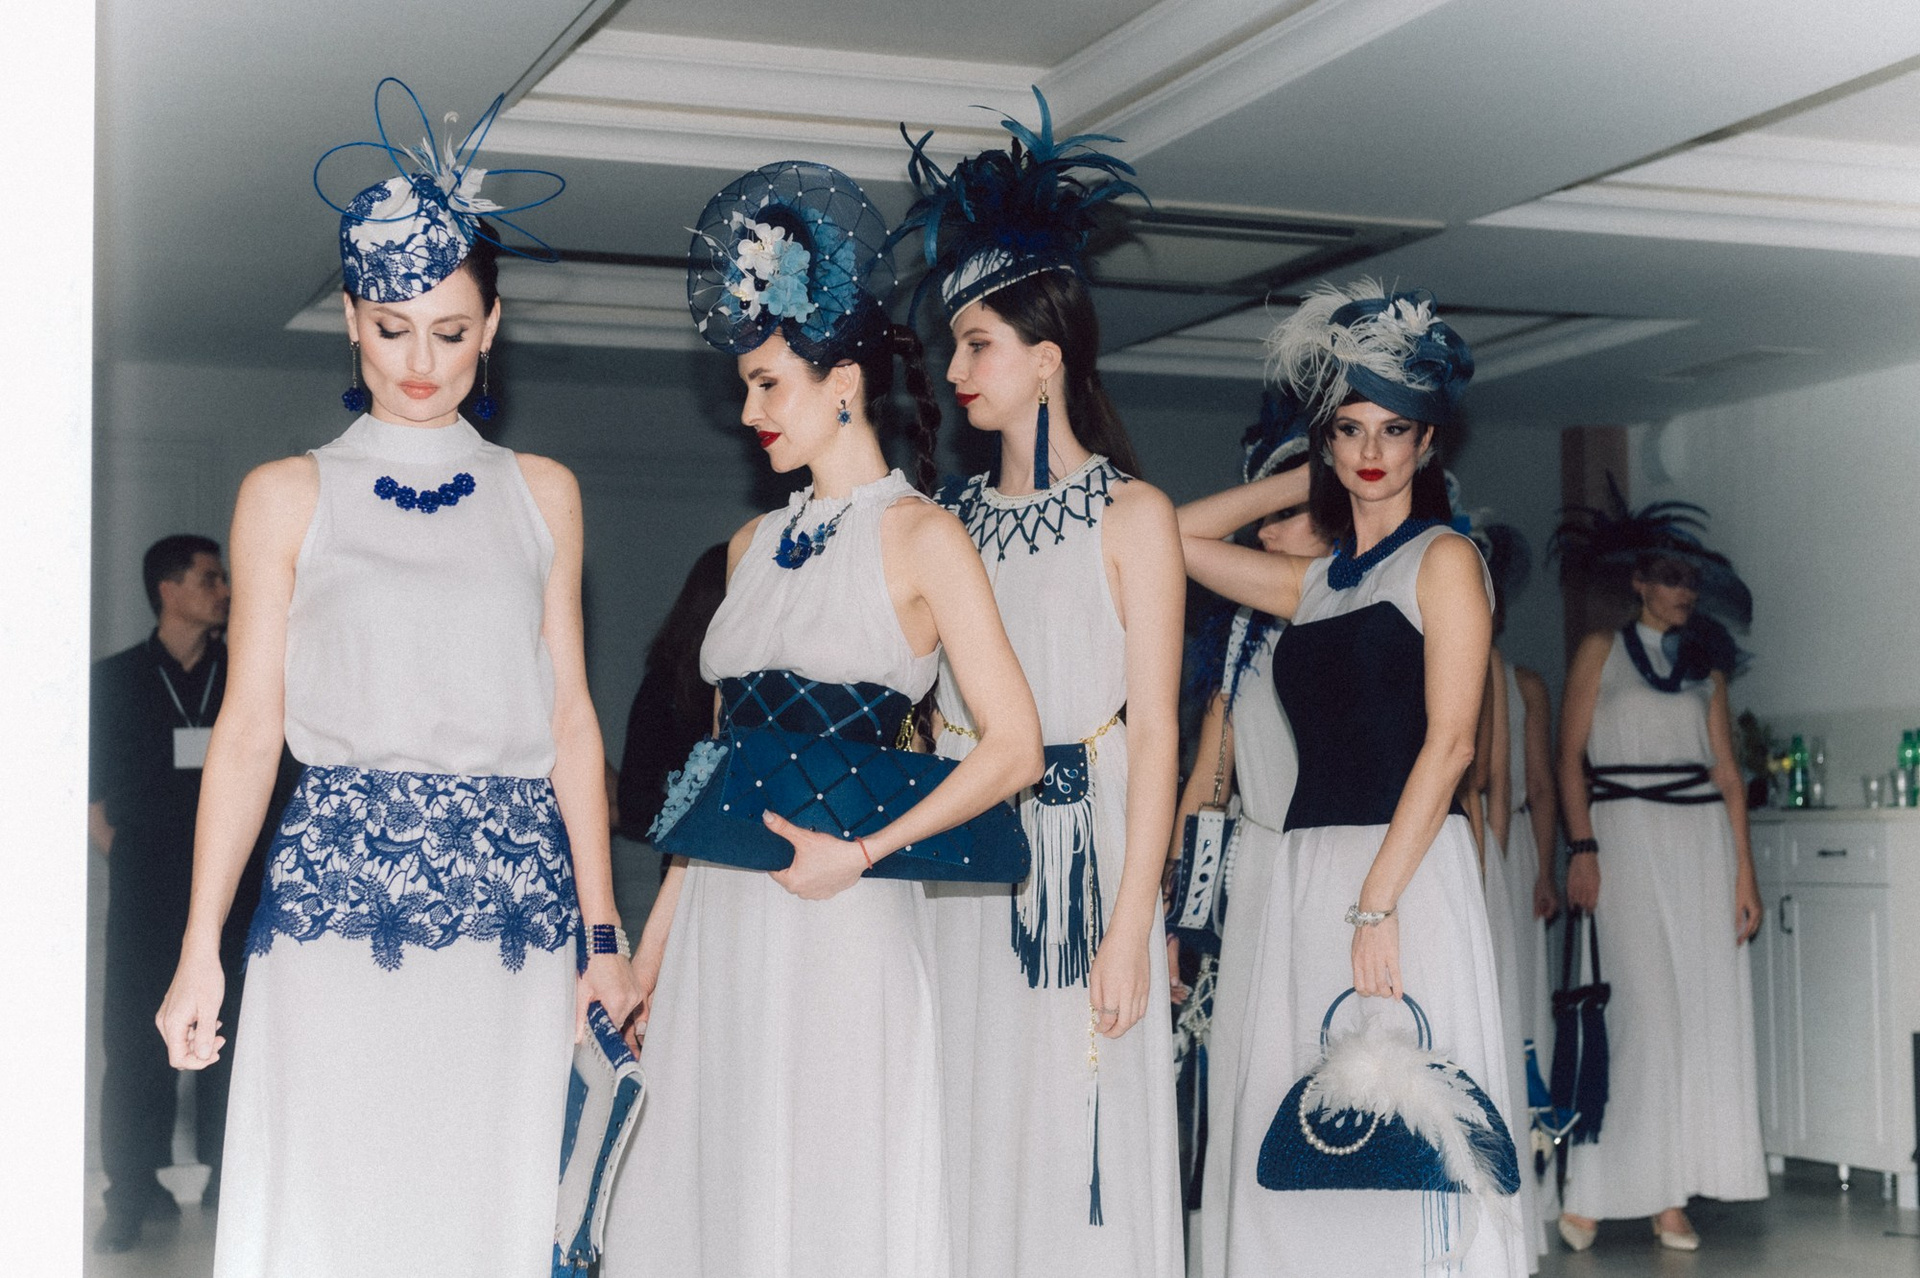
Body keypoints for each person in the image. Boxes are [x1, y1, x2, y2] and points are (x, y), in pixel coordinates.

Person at [154, 79, 639, 1276]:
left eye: (451, 331)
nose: (421, 361)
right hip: (336, 902)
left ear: (493, 326)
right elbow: (248, 732)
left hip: (515, 916)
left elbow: (573, 726)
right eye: (391, 328)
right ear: (351, 321)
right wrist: (200, 942)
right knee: (342, 1204)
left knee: (486, 1205)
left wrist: (604, 932)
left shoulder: (543, 493)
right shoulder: (286, 494)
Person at [603, 159, 1043, 1278]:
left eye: (766, 385)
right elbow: (715, 774)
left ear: (841, 379)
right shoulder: (750, 547)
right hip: (723, 919)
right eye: (747, 388)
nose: (749, 412)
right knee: (715, 1176)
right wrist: (653, 950)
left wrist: (864, 854)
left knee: (830, 1174)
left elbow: (1014, 747)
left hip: (841, 914)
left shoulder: (923, 537)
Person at [891, 90, 1187, 1277]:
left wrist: (1133, 926)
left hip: (1089, 852)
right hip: (966, 845)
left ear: (1047, 357)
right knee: (966, 1112)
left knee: (1077, 1125)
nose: (956, 367)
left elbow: (1158, 735)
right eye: (954, 344)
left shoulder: (1135, 514)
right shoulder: (946, 520)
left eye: (979, 344)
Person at [1176, 280, 1524, 1276]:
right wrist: (1301, 479)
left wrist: (1378, 902)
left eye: (1394, 429)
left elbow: (1451, 744)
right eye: (1350, 429)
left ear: (1428, 443)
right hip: (1307, 870)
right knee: (1312, 1115)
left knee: (1411, 1110)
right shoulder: (1316, 583)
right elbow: (1161, 539)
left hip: (1402, 870)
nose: (1373, 451)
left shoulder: (1444, 560)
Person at [1551, 483, 1767, 1253]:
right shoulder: (1600, 650)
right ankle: (1593, 1193)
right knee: (1643, 1016)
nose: (1685, 592)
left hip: (1701, 844)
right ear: (1640, 581)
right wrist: (1582, 847)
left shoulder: (1707, 665)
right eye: (1671, 578)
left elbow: (1728, 774)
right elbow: (1569, 759)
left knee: (1699, 1016)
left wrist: (1745, 874)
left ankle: (1670, 1198)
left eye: (1691, 581)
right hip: (1624, 839)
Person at [1180, 392, 1327, 1278]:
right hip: (1260, 876)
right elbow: (1210, 780)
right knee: (1249, 1073)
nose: (1265, 531)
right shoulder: (1241, 636)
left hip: (1340, 875)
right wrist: (1182, 913)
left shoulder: (1369, 611)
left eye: (1288, 512)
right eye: (1261, 514)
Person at [91, 537, 244, 1251]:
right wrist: (136, 862)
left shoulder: (241, 674)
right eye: (209, 579)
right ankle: (130, 1191)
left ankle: (229, 1178)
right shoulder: (116, 680)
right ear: (168, 589)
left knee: (234, 1034)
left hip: (236, 890)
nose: (224, 590)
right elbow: (90, 798)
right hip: (147, 887)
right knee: (134, 1038)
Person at [616, 542, 728, 841]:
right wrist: (701, 823)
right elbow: (633, 799)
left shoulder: (667, 680)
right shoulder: (667, 683)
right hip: (692, 849)